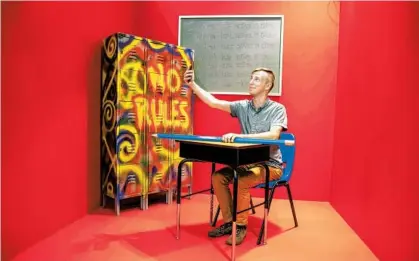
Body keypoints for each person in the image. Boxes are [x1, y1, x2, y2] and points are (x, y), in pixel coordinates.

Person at [183, 67, 288, 245]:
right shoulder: (242, 107)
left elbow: (273, 135)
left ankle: (240, 226)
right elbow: (214, 102)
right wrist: (192, 84)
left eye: (256, 79)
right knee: (218, 177)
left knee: (242, 180)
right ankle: (229, 221)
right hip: (246, 163)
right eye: (251, 78)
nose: (251, 82)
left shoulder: (277, 109)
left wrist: (240, 137)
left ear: (267, 85)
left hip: (270, 165)